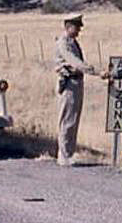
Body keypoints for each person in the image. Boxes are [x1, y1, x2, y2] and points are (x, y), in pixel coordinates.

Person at [52, 13, 97, 166]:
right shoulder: (63, 43)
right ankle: (64, 155)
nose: (78, 31)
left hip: (76, 82)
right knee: (67, 120)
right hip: (68, 83)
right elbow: (74, 62)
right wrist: (95, 71)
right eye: (76, 27)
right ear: (68, 26)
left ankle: (69, 153)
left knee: (73, 119)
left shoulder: (72, 42)